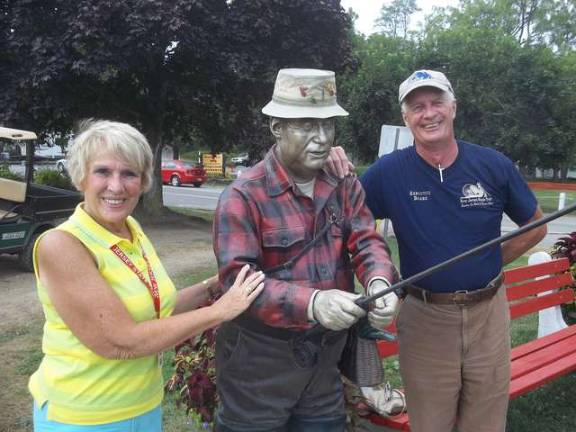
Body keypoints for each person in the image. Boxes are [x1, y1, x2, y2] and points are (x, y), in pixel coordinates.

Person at [331, 69, 547, 432]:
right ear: (405, 117)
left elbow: (536, 226)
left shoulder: (493, 165)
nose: (428, 113)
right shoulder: (388, 173)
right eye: (417, 107)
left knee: (486, 423)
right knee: (430, 423)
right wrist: (330, 168)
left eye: (436, 102)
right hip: (425, 318)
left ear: (453, 108)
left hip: (489, 316)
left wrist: (488, 262)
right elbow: (343, 222)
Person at [28, 120, 265, 431]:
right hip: (84, 416)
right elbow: (120, 341)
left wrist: (217, 285)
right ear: (80, 176)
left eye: (129, 173)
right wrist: (219, 311)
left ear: (143, 181)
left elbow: (157, 309)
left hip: (143, 408)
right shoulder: (62, 244)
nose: (116, 186)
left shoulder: (132, 230)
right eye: (103, 171)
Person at [212, 68, 399, 431]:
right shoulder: (243, 196)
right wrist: (314, 303)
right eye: (306, 125)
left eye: (328, 125)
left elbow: (366, 240)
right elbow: (238, 281)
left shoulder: (344, 184)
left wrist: (378, 283)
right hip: (258, 365)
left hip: (322, 363)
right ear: (277, 127)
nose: (321, 138)